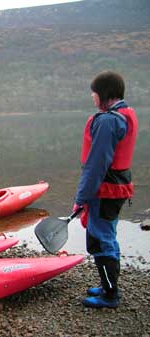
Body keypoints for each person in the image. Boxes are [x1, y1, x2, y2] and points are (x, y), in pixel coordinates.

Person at [73, 71, 138, 308]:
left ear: (104, 95)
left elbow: (96, 165)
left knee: (101, 240)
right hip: (115, 189)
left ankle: (110, 295)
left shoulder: (108, 121)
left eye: (94, 94)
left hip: (106, 191)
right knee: (105, 236)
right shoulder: (122, 115)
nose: (93, 98)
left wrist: (81, 197)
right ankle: (107, 286)